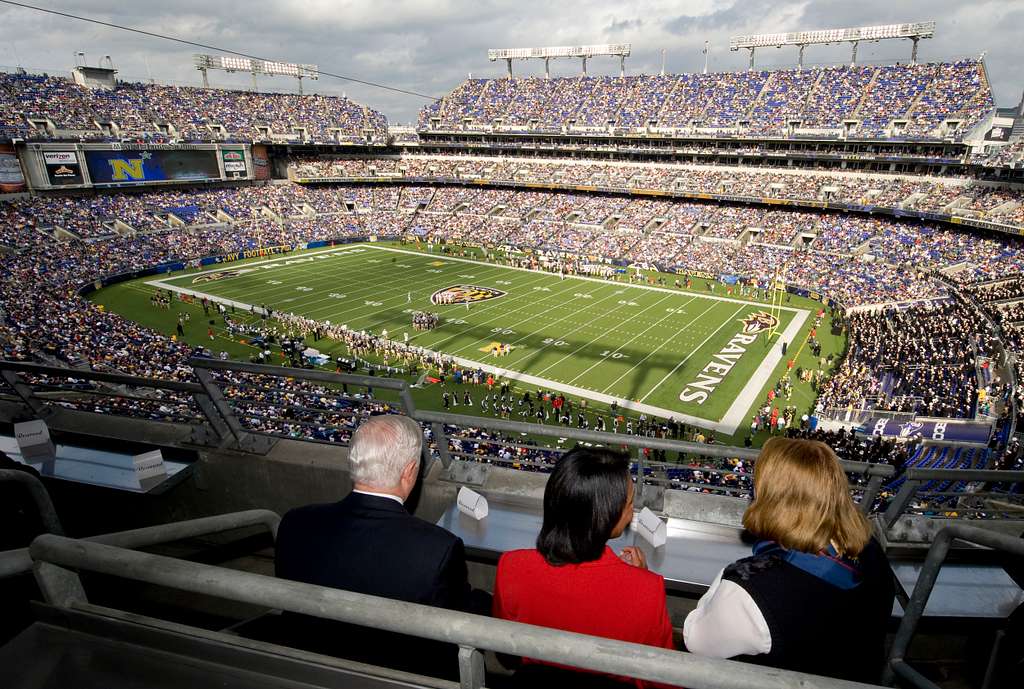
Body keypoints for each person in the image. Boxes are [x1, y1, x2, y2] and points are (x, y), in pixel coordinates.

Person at [273, 415, 488, 675]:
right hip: (399, 674)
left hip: (309, 669)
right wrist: (487, 600)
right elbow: (459, 621)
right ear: (409, 471)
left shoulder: (295, 523)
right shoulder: (437, 549)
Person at [683, 437, 894, 683]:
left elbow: (696, 640)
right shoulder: (871, 550)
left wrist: (727, 577)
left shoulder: (751, 590)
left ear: (772, 498)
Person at [493, 447, 674, 687]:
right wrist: (637, 579)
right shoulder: (648, 590)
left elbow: (506, 653)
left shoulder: (512, 566)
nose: (632, 510)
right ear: (605, 516)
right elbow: (662, 679)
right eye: (629, 503)